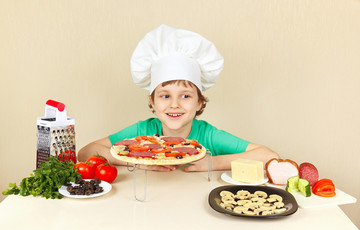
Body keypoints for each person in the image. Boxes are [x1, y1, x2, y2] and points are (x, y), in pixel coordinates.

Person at [78, 24, 279, 172]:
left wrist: (212, 162)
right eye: (165, 95)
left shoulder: (208, 136)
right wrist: (139, 161)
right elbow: (86, 152)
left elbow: (269, 156)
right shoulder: (144, 131)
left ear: (199, 101)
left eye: (185, 96)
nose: (174, 104)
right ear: (152, 101)